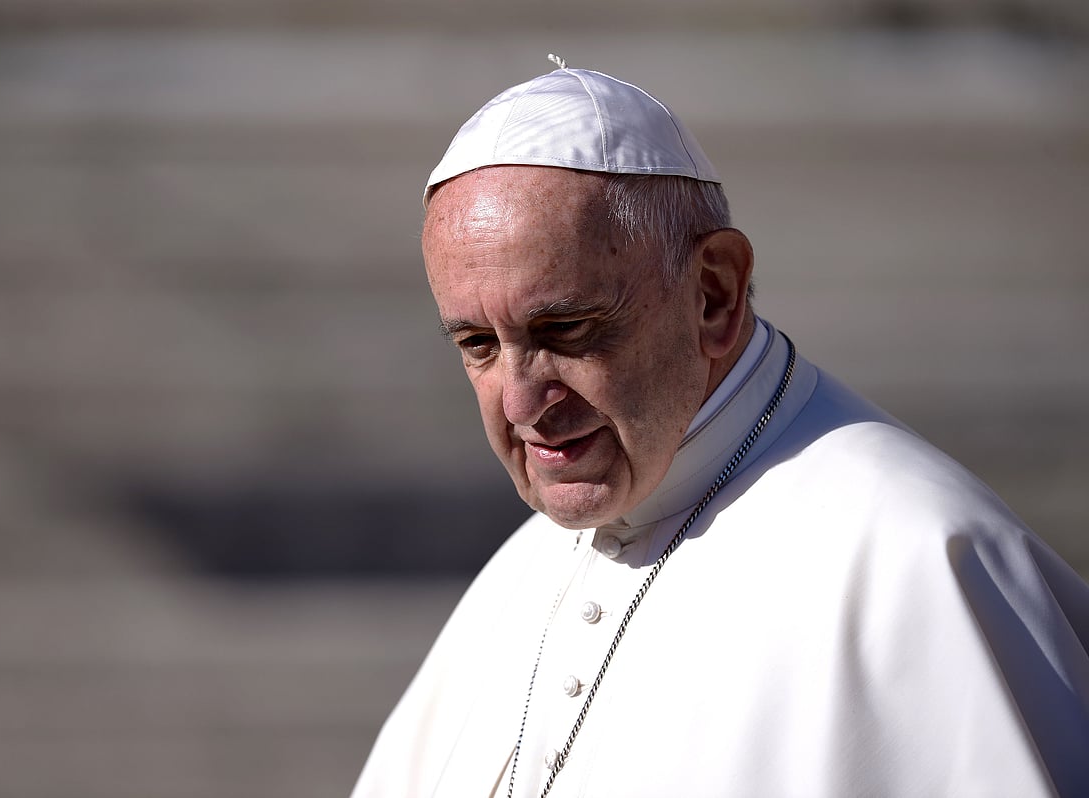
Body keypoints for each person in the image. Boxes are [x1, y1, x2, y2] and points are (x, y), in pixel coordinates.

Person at [351, 56, 1089, 797]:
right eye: (478, 344)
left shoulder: (917, 561)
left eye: (566, 329)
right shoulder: (523, 570)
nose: (520, 404)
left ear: (713, 293)